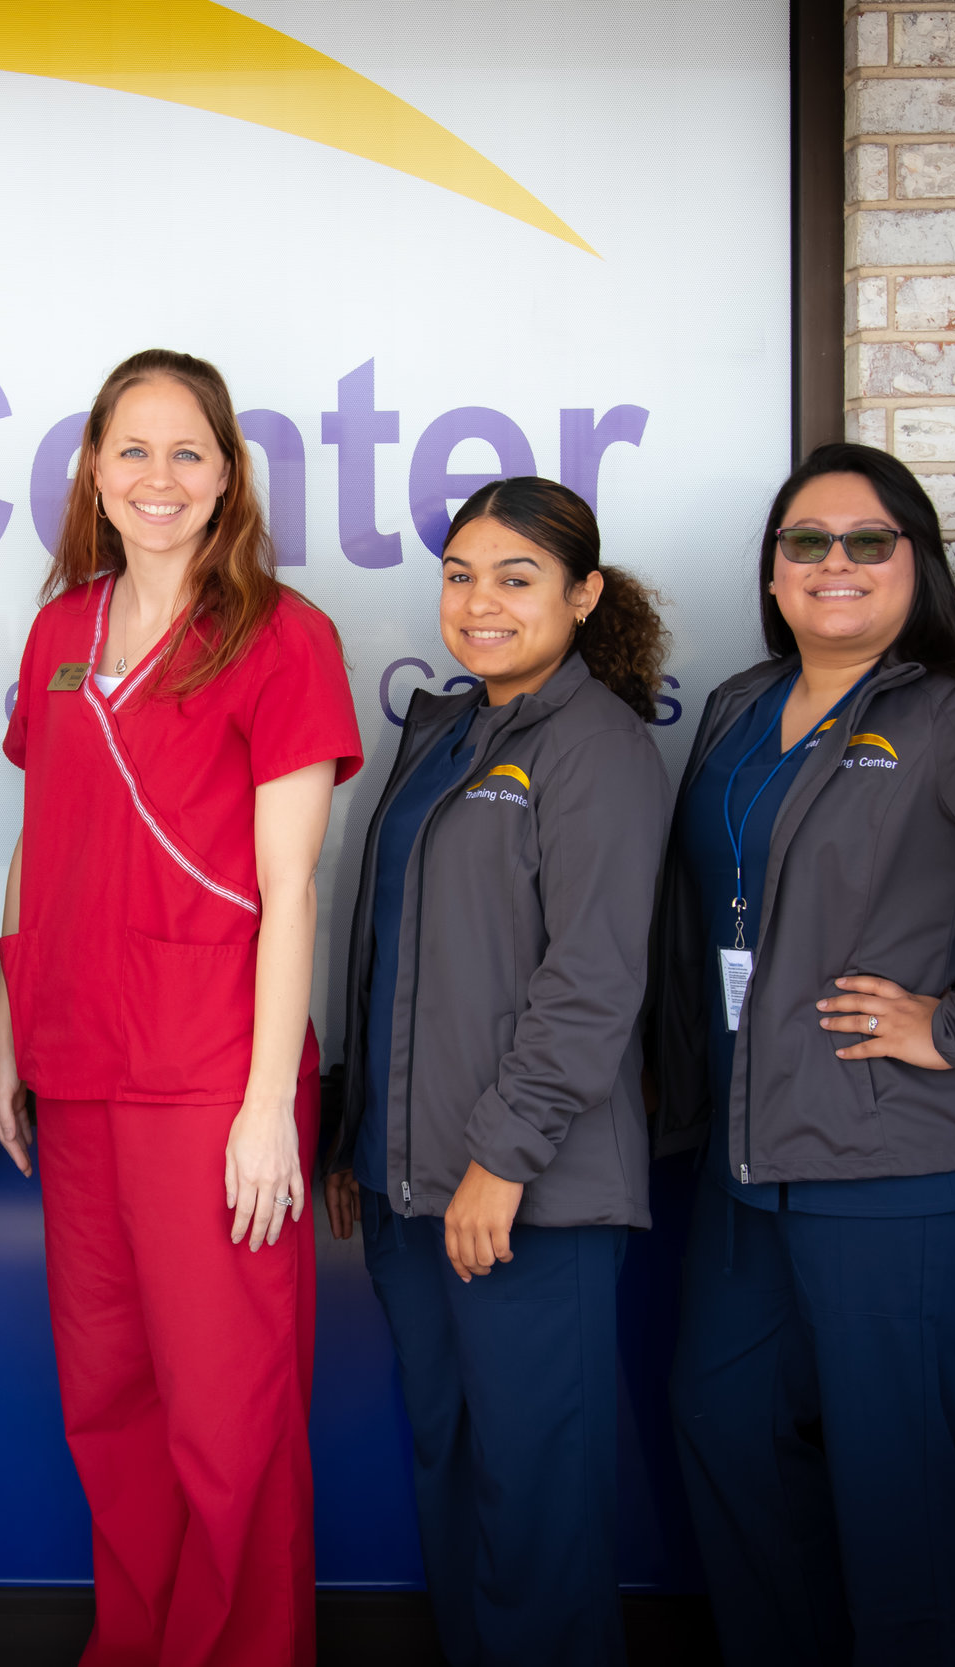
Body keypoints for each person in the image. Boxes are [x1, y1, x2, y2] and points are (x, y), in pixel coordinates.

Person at [650, 442, 955, 1665]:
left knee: (887, 1476)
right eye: (805, 541)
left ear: (915, 561)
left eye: (868, 541)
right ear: (772, 568)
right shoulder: (741, 707)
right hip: (752, 1154)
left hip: (894, 1157)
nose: (835, 564)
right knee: (722, 1418)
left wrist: (953, 1020)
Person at [0, 349, 363, 1667]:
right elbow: (42, 835)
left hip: (214, 1076)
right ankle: (135, 1642)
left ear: (228, 477)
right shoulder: (58, 633)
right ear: (92, 468)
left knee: (230, 1411)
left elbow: (293, 883)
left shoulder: (282, 633)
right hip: (82, 1068)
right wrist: (9, 1030)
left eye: (188, 451)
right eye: (132, 449)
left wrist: (268, 1109)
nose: (158, 476)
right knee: (110, 1397)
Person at [322, 476, 672, 1666]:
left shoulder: (595, 748)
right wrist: (352, 1137)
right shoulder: (446, 732)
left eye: (516, 578)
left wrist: (500, 1159)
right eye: (460, 573)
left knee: (537, 1508)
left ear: (581, 596)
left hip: (528, 1198)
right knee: (457, 1476)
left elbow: (591, 978)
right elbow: (384, 957)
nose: (479, 601)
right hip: (412, 1188)